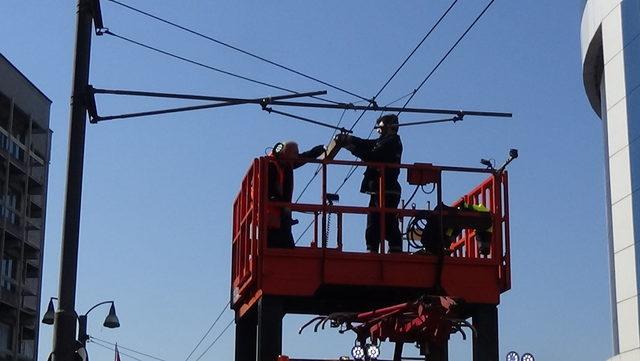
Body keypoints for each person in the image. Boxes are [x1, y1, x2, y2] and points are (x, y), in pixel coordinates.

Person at [335, 114, 403, 253]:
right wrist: (350, 139)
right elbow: (367, 143)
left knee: (387, 222)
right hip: (379, 189)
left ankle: (393, 251)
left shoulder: (392, 141)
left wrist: (350, 147)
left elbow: (372, 156)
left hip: (387, 188)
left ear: (389, 126)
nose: (378, 130)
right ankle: (374, 250)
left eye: (380, 127)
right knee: (374, 223)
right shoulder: (385, 141)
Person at [267, 141, 325, 248]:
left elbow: (304, 157)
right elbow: (269, 192)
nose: (296, 157)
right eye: (295, 154)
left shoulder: (284, 163)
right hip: (271, 219)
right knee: (284, 248)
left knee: (287, 247)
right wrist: (283, 205)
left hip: (279, 217)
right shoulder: (270, 166)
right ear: (286, 154)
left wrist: (320, 149)